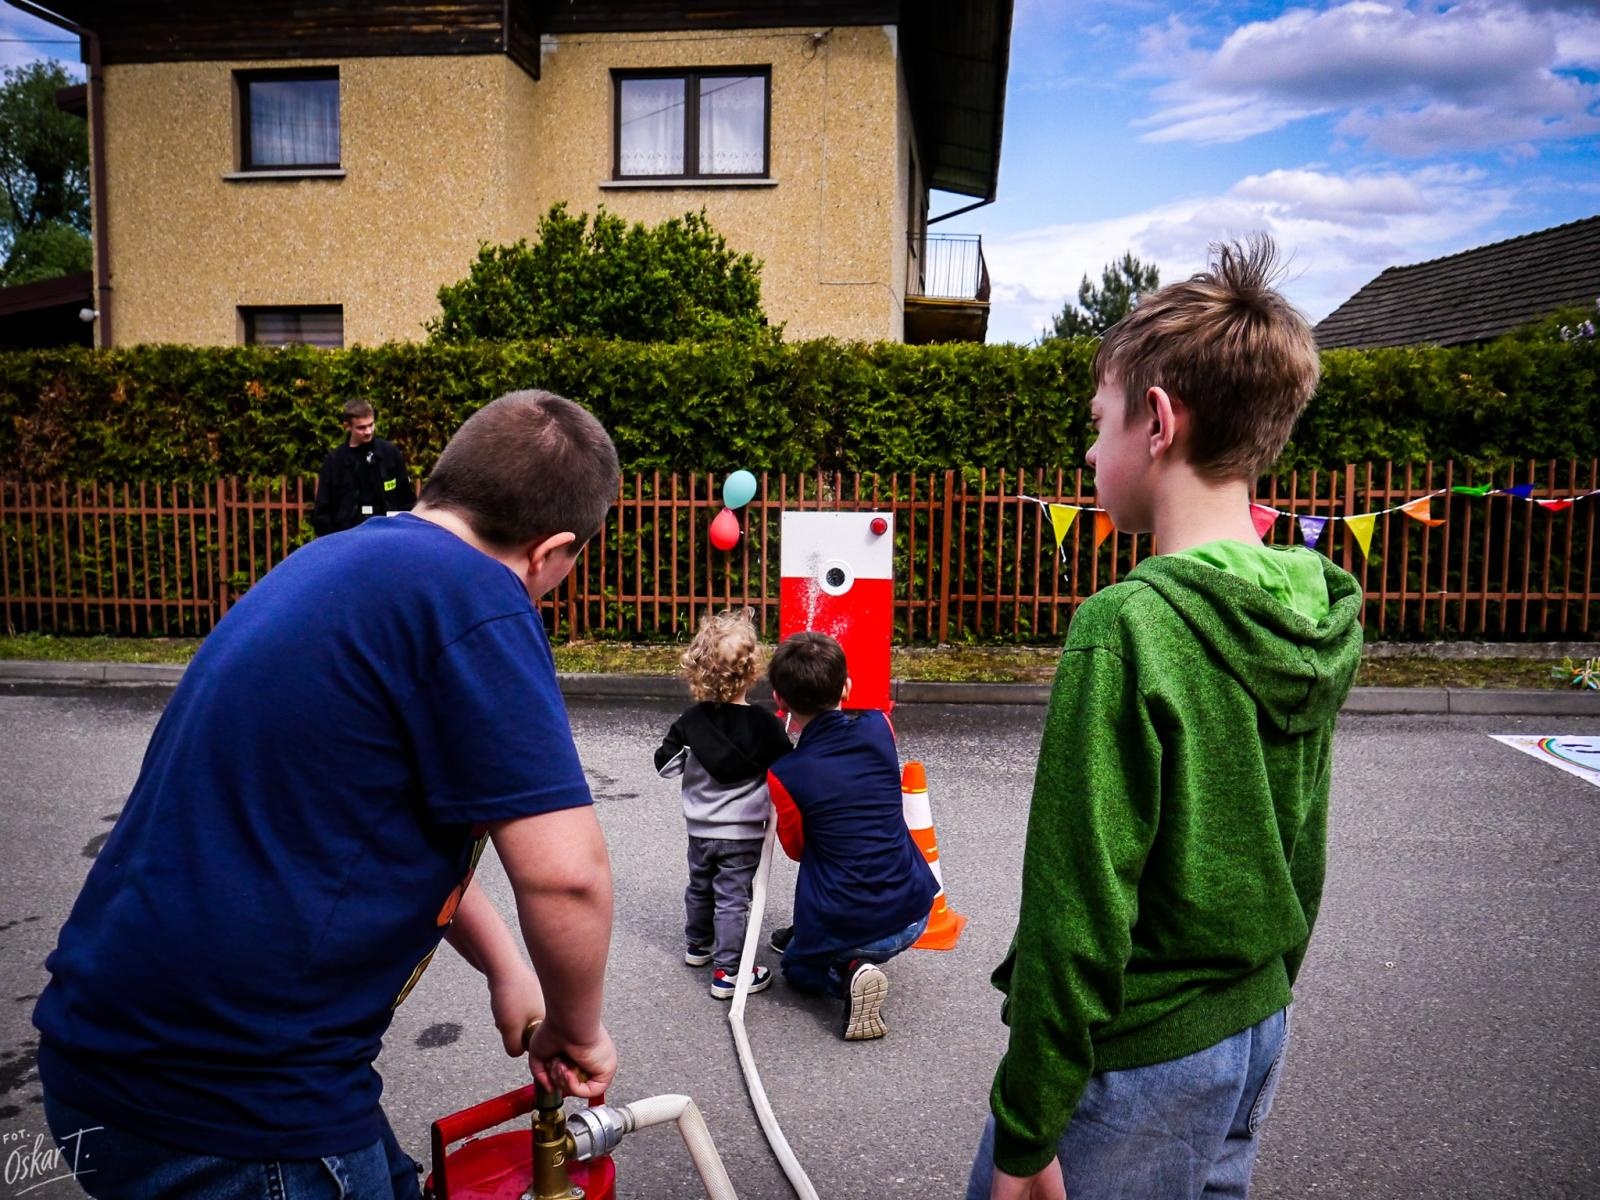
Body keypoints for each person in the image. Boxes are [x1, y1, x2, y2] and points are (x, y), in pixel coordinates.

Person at [34, 390, 622, 1200]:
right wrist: (576, 1030)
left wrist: (504, 965)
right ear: (550, 551)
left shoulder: (335, 563)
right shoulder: (476, 595)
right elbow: (568, 877)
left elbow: (360, 825)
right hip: (232, 1099)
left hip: (103, 1056)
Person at [965, 236, 1365, 1200]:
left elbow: (1076, 909)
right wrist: (1266, 996)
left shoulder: (1127, 626)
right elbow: (1303, 850)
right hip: (1256, 1027)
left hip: (1137, 1060)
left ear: (1157, 421)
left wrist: (1027, 1132)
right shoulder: (1310, 607)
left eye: (1097, 420)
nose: (1087, 449)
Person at [764, 631, 937, 1040]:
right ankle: (831, 947)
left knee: (795, 967)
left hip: (851, 923)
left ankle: (848, 973)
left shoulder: (785, 774)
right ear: (846, 686)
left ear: (779, 700)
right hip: (915, 912)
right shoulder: (880, 727)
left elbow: (797, 849)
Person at [654, 608, 793, 999]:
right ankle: (729, 972)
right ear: (751, 671)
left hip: (700, 829)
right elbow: (788, 769)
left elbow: (665, 766)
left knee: (701, 886)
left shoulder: (691, 722)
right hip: (743, 833)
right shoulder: (765, 725)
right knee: (733, 898)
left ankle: (698, 945)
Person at [310, 398, 416, 536]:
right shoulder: (335, 461)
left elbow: (407, 500)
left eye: (371, 425)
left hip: (386, 534)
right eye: (361, 427)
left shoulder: (389, 454)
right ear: (347, 426)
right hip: (348, 536)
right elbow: (323, 511)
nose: (368, 431)